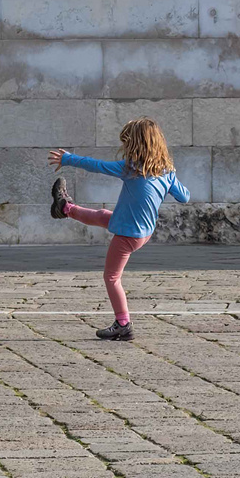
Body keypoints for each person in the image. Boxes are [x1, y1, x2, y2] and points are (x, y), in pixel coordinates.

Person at [48, 118, 189, 341]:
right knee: (104, 216)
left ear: (136, 146)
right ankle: (64, 207)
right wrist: (170, 180)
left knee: (112, 277)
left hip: (128, 235)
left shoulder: (131, 169)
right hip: (142, 230)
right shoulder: (166, 171)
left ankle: (123, 324)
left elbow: (97, 166)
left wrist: (68, 159)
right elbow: (185, 197)